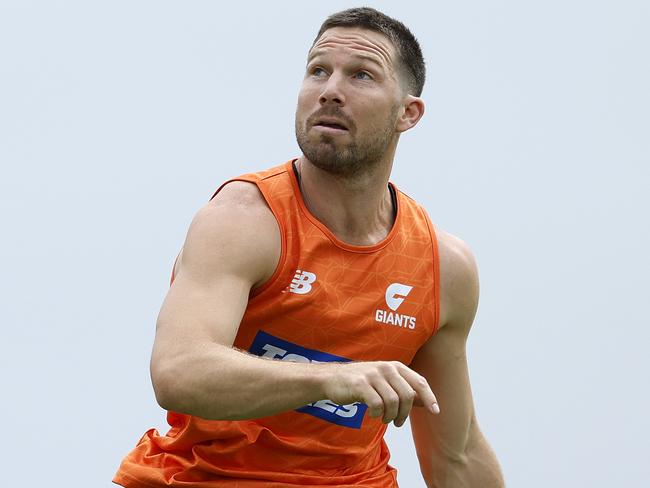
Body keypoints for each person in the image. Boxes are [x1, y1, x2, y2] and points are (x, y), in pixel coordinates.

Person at [114, 7, 504, 488]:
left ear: (408, 113)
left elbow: (457, 455)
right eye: (318, 70)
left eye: (361, 75)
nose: (330, 90)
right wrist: (331, 379)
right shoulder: (246, 218)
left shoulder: (443, 266)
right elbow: (178, 371)